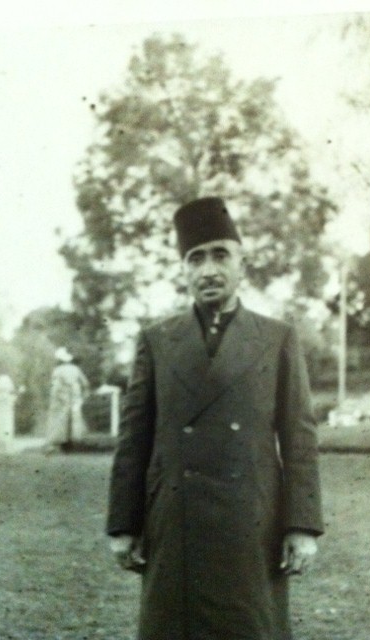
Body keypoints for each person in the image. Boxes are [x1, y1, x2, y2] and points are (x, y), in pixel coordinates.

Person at [106, 197, 324, 640]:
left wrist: (302, 526)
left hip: (252, 521)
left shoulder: (277, 338)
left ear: (242, 265)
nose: (208, 270)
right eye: (195, 258)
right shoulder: (156, 340)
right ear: (184, 270)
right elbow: (134, 438)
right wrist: (123, 525)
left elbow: (299, 436)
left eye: (220, 256)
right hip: (175, 521)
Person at [44, 347, 90, 452]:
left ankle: (62, 442)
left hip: (62, 397)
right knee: (74, 419)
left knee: (61, 420)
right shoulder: (76, 369)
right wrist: (83, 396)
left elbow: (55, 387)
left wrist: (58, 396)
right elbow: (85, 383)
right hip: (74, 396)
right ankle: (72, 442)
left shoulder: (58, 370)